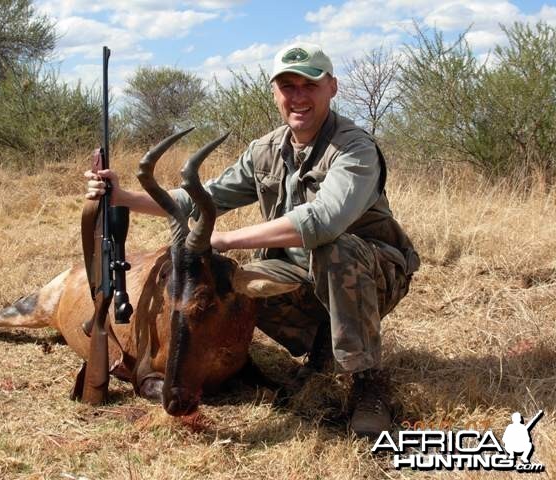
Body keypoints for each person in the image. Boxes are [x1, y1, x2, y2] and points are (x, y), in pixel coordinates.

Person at [85, 42, 420, 438]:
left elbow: (324, 222)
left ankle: (368, 384)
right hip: (298, 271)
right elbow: (200, 198)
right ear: (275, 92)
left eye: (308, 85)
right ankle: (321, 347)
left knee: (337, 251)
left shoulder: (355, 148)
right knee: (221, 282)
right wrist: (123, 197)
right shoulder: (265, 150)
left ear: (332, 87)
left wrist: (225, 239)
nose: (297, 97)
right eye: (287, 86)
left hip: (372, 273)